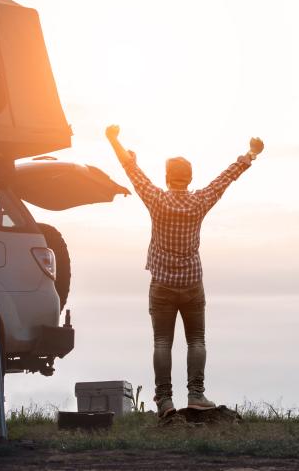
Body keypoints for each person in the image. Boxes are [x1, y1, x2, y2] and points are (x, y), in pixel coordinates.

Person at [105, 124, 264, 418]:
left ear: (167, 178)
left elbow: (130, 170)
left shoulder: (156, 199)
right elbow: (226, 178)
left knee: (162, 342)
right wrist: (250, 154)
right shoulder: (200, 200)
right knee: (197, 340)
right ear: (190, 179)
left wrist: (114, 140)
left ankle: (164, 401)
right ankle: (196, 394)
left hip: (162, 284)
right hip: (192, 282)